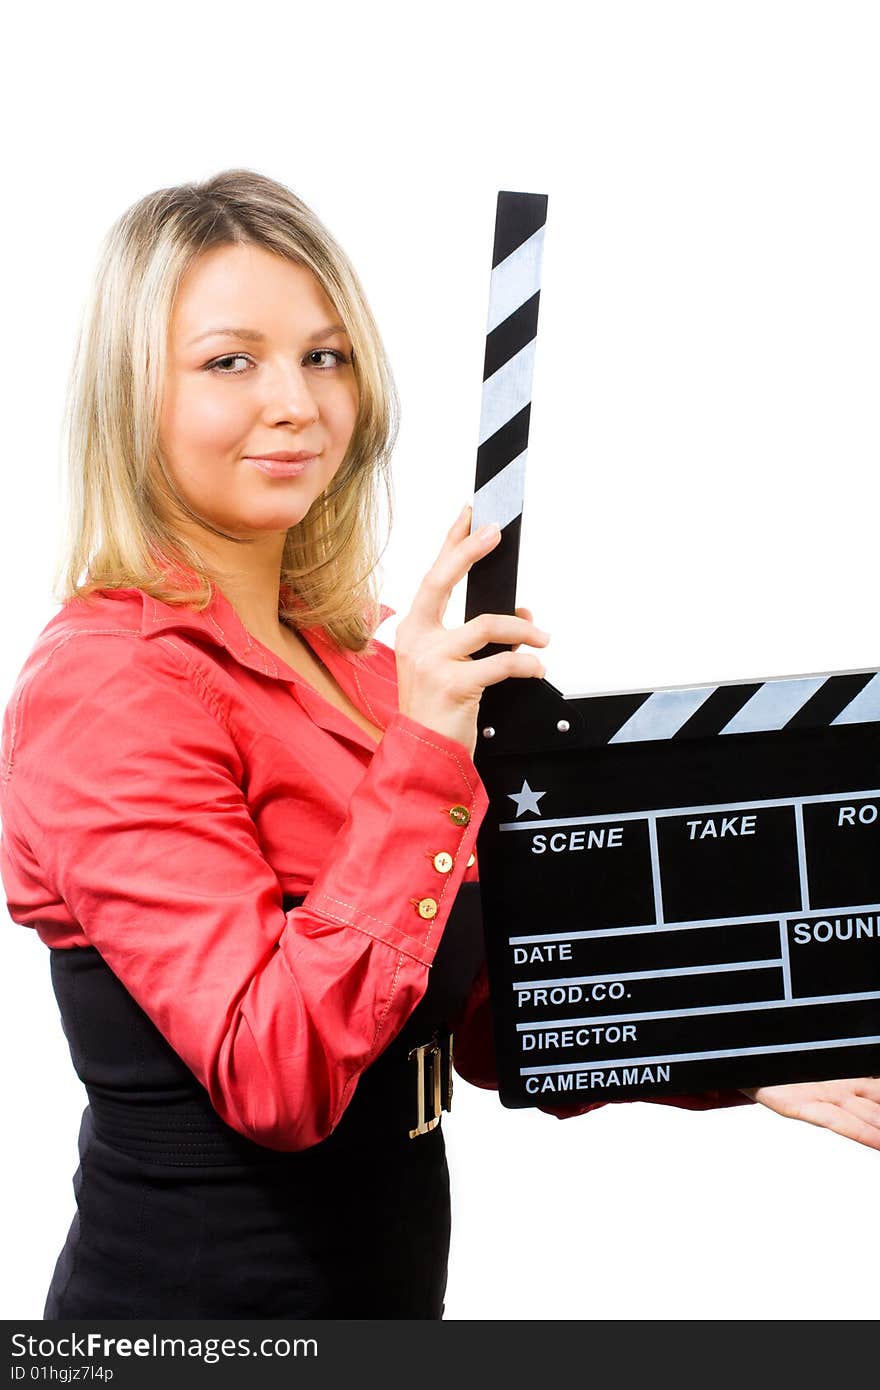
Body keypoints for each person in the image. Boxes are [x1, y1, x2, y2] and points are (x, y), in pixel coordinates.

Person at [1, 170, 878, 1321]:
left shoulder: (366, 669)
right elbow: (278, 1072)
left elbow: (480, 1016)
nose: (297, 404)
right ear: (132, 396)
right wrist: (422, 747)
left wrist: (748, 1044)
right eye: (230, 360)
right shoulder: (110, 688)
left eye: (326, 355)